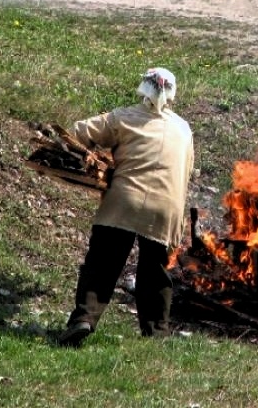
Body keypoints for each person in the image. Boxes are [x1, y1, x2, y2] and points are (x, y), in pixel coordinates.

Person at [58, 67, 194, 347]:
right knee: (155, 273)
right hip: (167, 208)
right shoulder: (183, 129)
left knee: (102, 263)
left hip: (124, 202)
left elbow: (80, 132)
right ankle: (156, 334)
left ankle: (84, 319)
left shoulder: (124, 117)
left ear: (143, 88)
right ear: (172, 94)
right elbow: (186, 171)